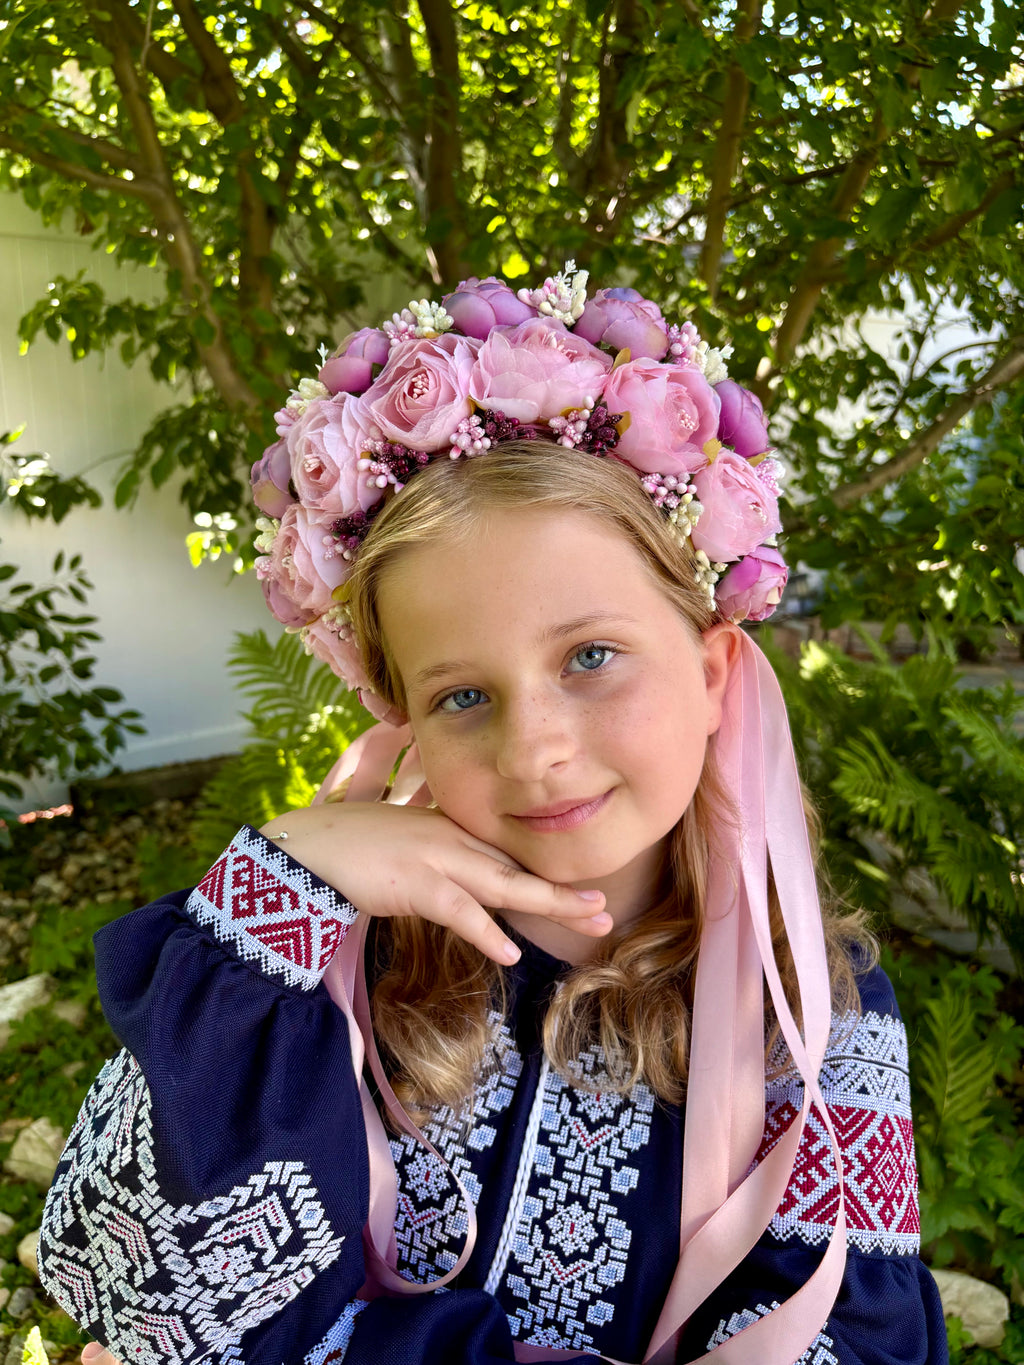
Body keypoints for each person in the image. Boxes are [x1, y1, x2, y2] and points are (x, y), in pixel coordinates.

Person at [38, 266, 947, 1365]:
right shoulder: (333, 969)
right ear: (403, 719)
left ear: (712, 673)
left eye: (592, 656)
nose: (533, 750)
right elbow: (148, 1294)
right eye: (462, 696)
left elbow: (847, 1340)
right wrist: (273, 889)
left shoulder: (810, 1009)